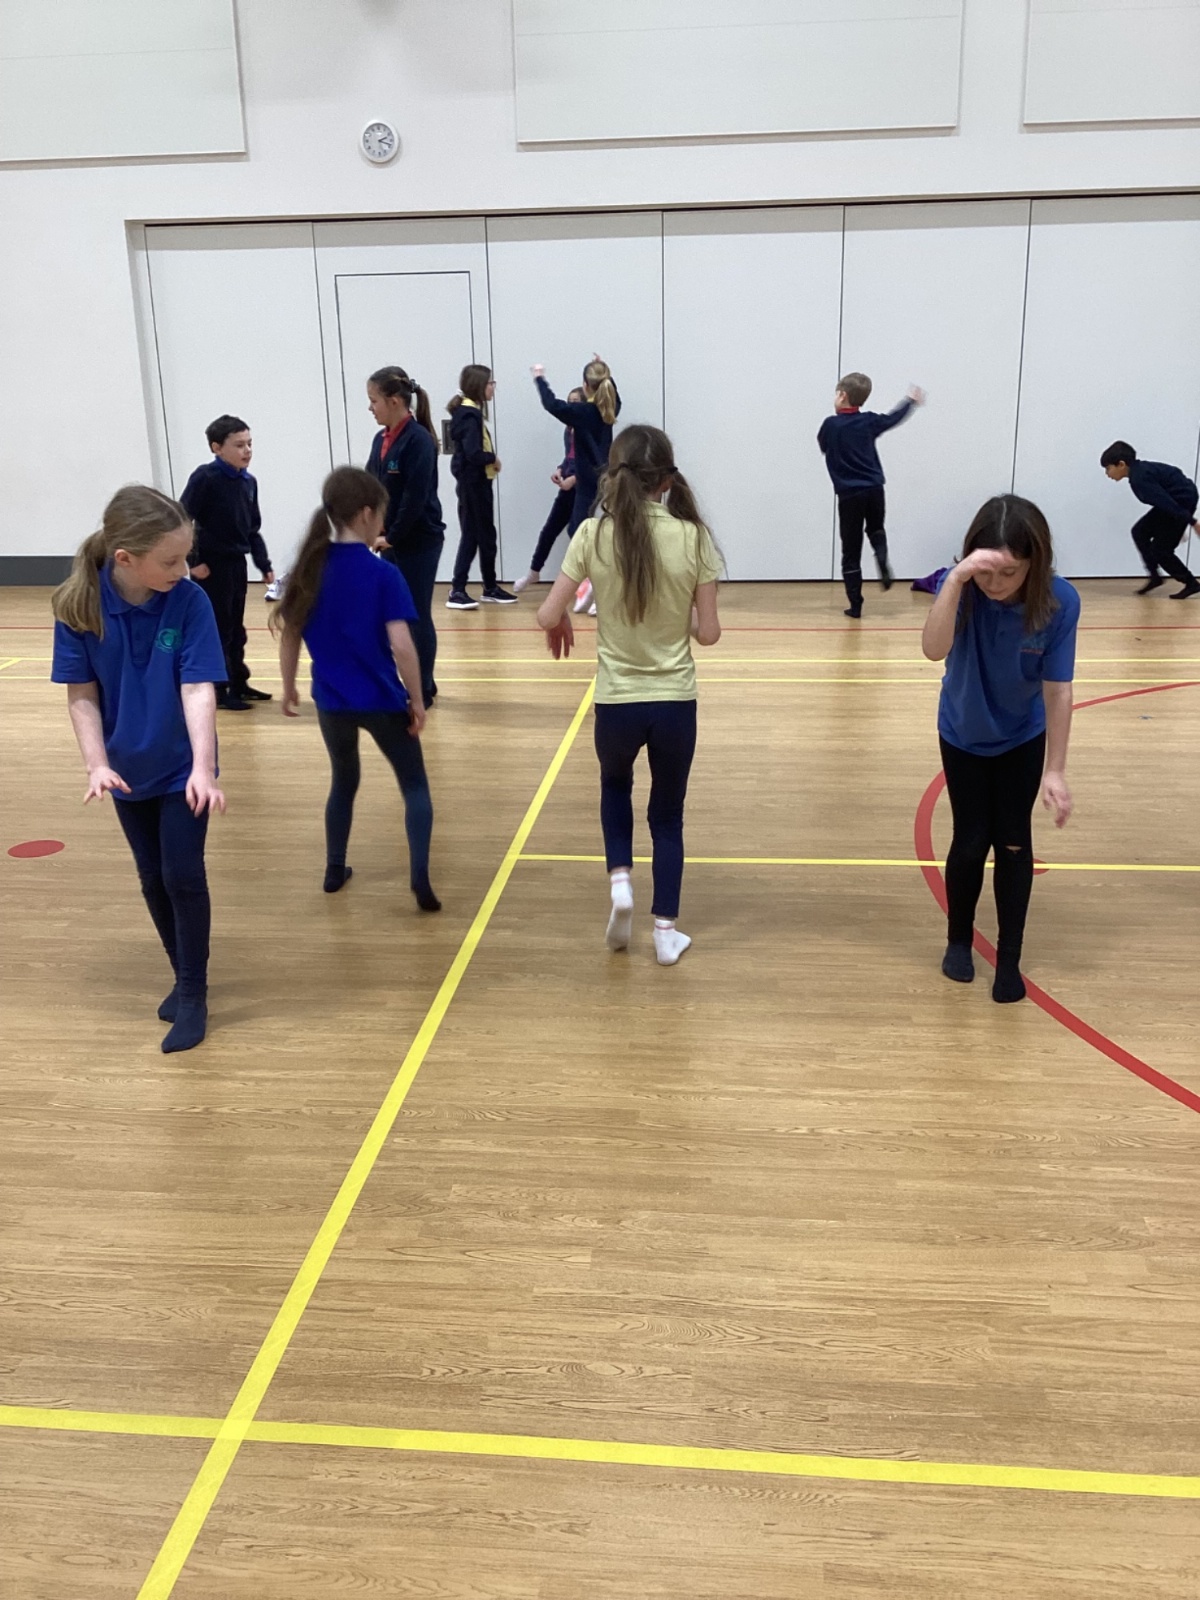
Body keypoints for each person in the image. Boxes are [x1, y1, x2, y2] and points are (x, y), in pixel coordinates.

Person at [536, 424, 722, 966]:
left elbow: (548, 614)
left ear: (614, 474)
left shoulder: (592, 534)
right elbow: (709, 633)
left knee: (614, 787)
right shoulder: (693, 537)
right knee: (667, 816)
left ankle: (621, 883)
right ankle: (665, 932)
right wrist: (678, 615)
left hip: (616, 701)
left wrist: (559, 620)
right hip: (674, 703)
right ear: (665, 480)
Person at [50, 485, 227, 1053]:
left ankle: (194, 994)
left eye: (185, 556)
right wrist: (96, 764)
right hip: (126, 770)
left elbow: (197, 685)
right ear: (125, 559)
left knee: (182, 875)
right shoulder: (79, 606)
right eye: (170, 561)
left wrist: (203, 767)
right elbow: (81, 692)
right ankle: (181, 973)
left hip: (182, 767)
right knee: (151, 876)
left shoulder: (189, 601)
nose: (183, 570)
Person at [921, 494, 1079, 1005]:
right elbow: (933, 649)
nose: (995, 583)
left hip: (1021, 736)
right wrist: (957, 578)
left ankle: (1009, 959)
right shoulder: (962, 588)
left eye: (1009, 573)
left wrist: (1055, 770)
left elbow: (1058, 689)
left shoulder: (1059, 601)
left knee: (1013, 841)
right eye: (986, 571)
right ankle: (959, 941)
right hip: (962, 731)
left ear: (1035, 564)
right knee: (970, 839)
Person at [274, 466, 439, 912]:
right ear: (366, 514)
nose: (382, 524)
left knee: (343, 781)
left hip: (332, 704)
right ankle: (420, 877)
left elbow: (290, 636)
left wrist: (288, 688)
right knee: (414, 786)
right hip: (382, 702)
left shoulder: (310, 568)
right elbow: (402, 646)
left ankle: (334, 868)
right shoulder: (383, 575)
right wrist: (417, 699)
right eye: (381, 515)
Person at [181, 415, 274, 709]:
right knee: (218, 629)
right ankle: (219, 690)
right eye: (239, 445)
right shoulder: (205, 478)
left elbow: (252, 529)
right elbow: (182, 518)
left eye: (249, 444)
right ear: (216, 448)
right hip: (211, 567)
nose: (247, 451)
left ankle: (239, 682)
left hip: (236, 564)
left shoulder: (248, 482)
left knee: (236, 628)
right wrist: (192, 561)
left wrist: (263, 564)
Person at [365, 366, 446, 706]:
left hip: (419, 541)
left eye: (374, 401)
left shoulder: (419, 440)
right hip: (390, 541)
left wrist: (393, 536)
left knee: (415, 615)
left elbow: (415, 498)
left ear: (395, 401)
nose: (370, 408)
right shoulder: (381, 439)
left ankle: (421, 690)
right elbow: (370, 485)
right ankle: (420, 681)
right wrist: (368, 527)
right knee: (397, 614)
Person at [818, 373, 925, 619]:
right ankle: (882, 559)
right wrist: (910, 401)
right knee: (876, 529)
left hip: (849, 495)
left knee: (851, 551)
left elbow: (824, 446)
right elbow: (892, 418)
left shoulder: (830, 426)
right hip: (875, 489)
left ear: (842, 395)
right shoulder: (869, 422)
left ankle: (855, 605)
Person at [531, 356, 621, 613]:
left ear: (585, 386)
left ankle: (597, 584)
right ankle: (597, 585)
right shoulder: (611, 407)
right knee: (583, 531)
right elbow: (613, 391)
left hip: (589, 481)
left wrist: (540, 379)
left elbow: (551, 404)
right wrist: (606, 371)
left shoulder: (583, 413)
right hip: (602, 479)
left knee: (578, 531)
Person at [445, 364, 517, 609]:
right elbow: (473, 453)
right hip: (473, 484)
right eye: (490, 383)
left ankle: (489, 586)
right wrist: (492, 458)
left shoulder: (471, 412)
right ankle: (457, 590)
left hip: (478, 483)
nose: (493, 387)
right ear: (478, 385)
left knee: (485, 536)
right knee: (472, 536)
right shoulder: (469, 415)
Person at [1100, 441, 1200, 599]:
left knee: (1161, 550)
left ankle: (1191, 583)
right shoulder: (1138, 472)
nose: (1107, 473)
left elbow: (1166, 501)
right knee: (1140, 531)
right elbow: (1163, 498)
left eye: (1108, 468)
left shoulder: (1140, 478)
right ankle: (1155, 577)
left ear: (1121, 464)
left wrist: (1191, 522)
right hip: (1175, 500)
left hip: (1182, 500)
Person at [514, 387, 584, 593]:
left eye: (576, 402)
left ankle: (589, 584)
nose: (571, 406)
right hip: (567, 487)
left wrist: (574, 479)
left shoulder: (588, 429)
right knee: (549, 530)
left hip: (583, 490)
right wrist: (560, 469)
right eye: (569, 401)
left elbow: (594, 464)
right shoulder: (569, 430)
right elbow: (570, 457)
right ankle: (534, 571)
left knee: (579, 535)